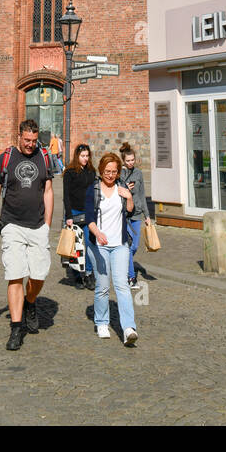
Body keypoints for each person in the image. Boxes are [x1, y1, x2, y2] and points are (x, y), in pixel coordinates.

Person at [0, 118, 54, 352]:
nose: (31, 145)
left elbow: (49, 191)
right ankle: (16, 327)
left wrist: (48, 225)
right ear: (19, 137)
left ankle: (30, 302)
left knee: (39, 275)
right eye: (27, 140)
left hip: (38, 225)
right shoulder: (6, 158)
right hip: (12, 224)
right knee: (15, 275)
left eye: (34, 140)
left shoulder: (44, 157)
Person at [86, 151, 138, 346]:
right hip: (98, 245)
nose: (110, 175)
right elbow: (89, 218)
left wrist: (129, 197)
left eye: (114, 172)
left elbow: (130, 211)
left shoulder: (121, 188)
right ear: (101, 171)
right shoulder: (93, 189)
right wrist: (97, 233)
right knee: (103, 286)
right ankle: (101, 322)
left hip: (120, 244)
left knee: (122, 285)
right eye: (107, 171)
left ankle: (128, 328)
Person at [62, 143, 97, 289]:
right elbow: (66, 195)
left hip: (88, 213)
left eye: (87, 156)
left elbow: (94, 193)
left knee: (89, 244)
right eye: (83, 156)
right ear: (77, 156)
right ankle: (76, 276)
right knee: (75, 246)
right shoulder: (69, 172)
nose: (85, 158)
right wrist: (69, 215)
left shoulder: (91, 172)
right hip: (74, 212)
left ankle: (88, 273)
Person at [118, 142, 150, 289]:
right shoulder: (120, 173)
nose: (131, 163)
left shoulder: (138, 173)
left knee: (134, 246)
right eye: (128, 161)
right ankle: (131, 278)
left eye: (132, 160)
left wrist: (147, 215)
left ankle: (124, 267)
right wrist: (125, 187)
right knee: (128, 248)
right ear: (124, 161)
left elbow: (142, 195)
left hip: (136, 215)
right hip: (125, 215)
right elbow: (116, 192)